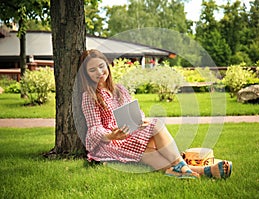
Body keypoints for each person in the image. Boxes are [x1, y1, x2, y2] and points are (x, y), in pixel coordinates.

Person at [78, 49, 232, 179]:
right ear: (86, 74)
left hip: (129, 134)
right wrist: (112, 135)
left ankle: (180, 170)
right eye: (92, 70)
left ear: (107, 65)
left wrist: (141, 121)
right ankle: (193, 168)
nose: (99, 72)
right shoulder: (89, 96)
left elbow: (135, 112)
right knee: (152, 137)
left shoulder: (119, 90)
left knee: (151, 137)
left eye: (101, 66)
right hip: (111, 143)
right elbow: (94, 129)